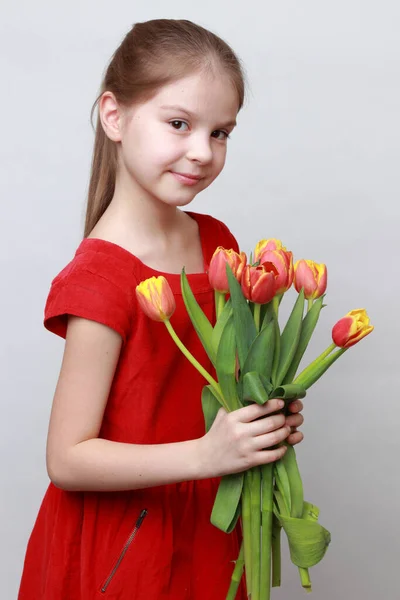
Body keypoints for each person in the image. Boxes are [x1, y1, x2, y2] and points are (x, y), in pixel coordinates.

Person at [18, 18, 305, 600]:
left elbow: (212, 379)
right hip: (129, 543)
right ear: (114, 116)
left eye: (221, 132)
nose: (202, 151)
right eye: (179, 123)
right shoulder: (101, 277)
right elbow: (67, 459)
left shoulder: (214, 239)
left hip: (212, 522)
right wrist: (208, 452)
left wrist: (262, 414)